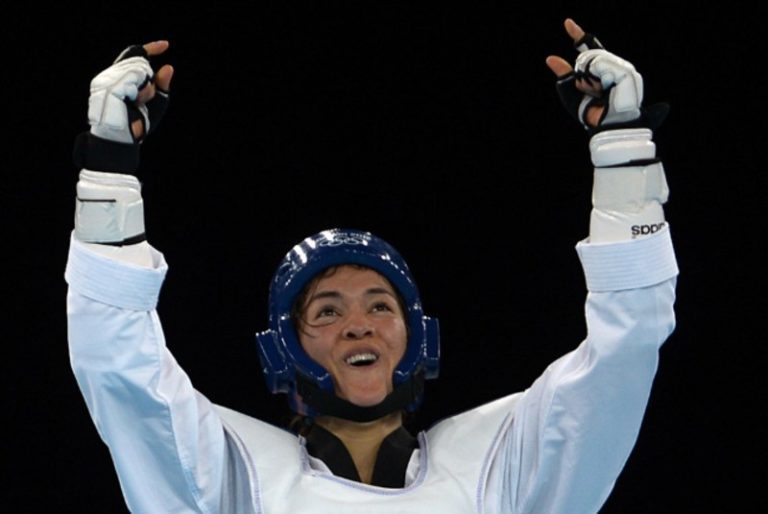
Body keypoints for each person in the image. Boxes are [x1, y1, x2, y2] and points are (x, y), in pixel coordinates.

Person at [65, 18, 678, 513]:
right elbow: (116, 363)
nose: (359, 326)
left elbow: (628, 346)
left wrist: (624, 149)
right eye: (328, 311)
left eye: (379, 306)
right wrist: (108, 169)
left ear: (418, 336)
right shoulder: (235, 473)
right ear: (284, 349)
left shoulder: (497, 463)